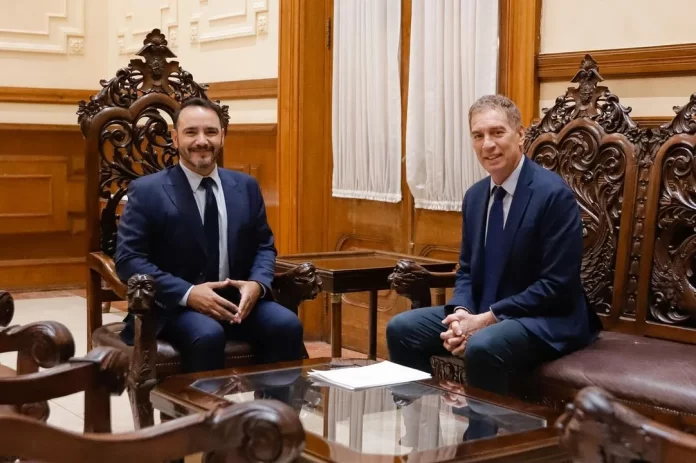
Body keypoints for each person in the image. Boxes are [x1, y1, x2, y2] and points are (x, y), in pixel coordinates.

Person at [386, 94, 601, 395]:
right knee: (402, 329)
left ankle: (481, 426)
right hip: (484, 310)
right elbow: (466, 269)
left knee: (484, 345)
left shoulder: (553, 195)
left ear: (520, 135)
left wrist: (485, 320)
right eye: (478, 135)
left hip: (545, 318)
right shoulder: (475, 197)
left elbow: (557, 285)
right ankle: (419, 420)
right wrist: (461, 315)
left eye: (497, 132)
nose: (488, 144)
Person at [115, 97, 304, 373]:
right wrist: (189, 293)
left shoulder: (246, 186)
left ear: (222, 136)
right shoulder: (147, 191)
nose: (202, 141)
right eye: (191, 132)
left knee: (287, 325)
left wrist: (257, 284)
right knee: (207, 334)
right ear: (175, 138)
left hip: (238, 302)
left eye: (211, 132)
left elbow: (264, 246)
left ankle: (273, 402)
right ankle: (199, 404)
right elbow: (128, 260)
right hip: (174, 306)